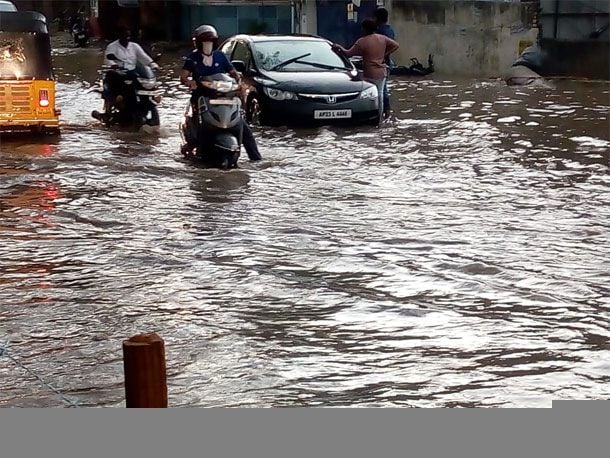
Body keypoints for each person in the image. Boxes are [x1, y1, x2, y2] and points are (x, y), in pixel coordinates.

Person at [179, 24, 262, 161]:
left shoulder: (220, 56)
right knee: (198, 124)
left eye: (210, 43)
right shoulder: (192, 58)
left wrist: (237, 79)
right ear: (198, 44)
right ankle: (190, 146)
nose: (208, 46)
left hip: (223, 96)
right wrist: (189, 82)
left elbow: (232, 72)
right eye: (205, 43)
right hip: (202, 97)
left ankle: (255, 157)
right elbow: (183, 76)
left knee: (242, 126)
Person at [333, 19, 399, 126]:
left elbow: (348, 53)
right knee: (380, 95)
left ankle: (371, 117)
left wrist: (338, 48)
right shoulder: (382, 38)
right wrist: (384, 54)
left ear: (364, 29)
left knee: (369, 96)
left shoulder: (362, 41)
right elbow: (396, 45)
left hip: (370, 73)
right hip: (382, 72)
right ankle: (380, 120)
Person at [102, 28, 159, 118]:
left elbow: (143, 57)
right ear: (119, 36)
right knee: (117, 83)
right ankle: (118, 101)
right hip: (118, 73)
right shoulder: (112, 47)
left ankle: (142, 105)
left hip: (133, 73)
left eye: (128, 35)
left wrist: (152, 64)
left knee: (144, 86)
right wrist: (113, 65)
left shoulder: (134, 46)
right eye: (124, 35)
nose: (126, 37)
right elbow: (108, 60)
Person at [373, 7, 396, 118]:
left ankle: (385, 113)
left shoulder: (381, 32)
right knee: (383, 88)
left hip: (383, 63)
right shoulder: (389, 30)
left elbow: (390, 46)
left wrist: (381, 55)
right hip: (386, 62)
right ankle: (385, 112)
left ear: (377, 18)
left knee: (383, 89)